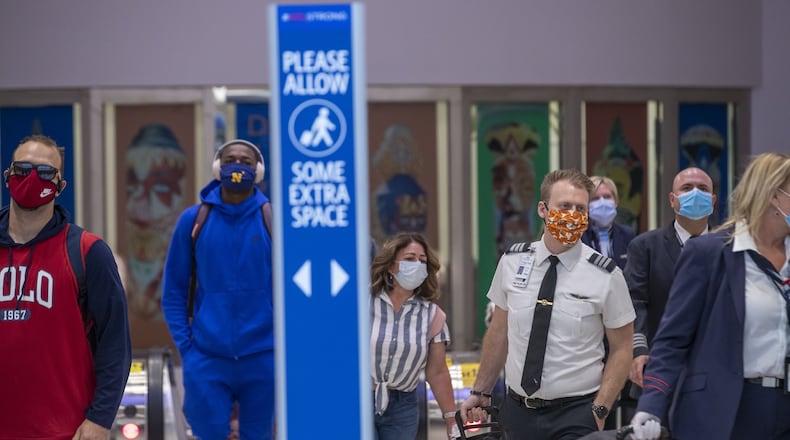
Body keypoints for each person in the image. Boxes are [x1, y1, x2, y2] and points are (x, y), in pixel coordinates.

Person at [461, 169, 635, 439]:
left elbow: (623, 348)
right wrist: (480, 391)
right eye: (564, 206)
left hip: (577, 414)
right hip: (517, 411)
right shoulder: (512, 262)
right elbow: (499, 332)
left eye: (580, 208)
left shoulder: (606, 275)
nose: (573, 215)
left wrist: (600, 410)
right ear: (543, 209)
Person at [630, 152, 790, 439]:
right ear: (772, 195)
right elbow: (672, 338)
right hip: (727, 408)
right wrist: (652, 403)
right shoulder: (709, 253)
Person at [0, 134, 131, 439]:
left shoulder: (88, 251)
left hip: (64, 430)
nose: (32, 178)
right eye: (22, 169)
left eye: (45, 172)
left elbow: (116, 344)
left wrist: (100, 419)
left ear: (60, 186)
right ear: (7, 176)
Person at [162, 139, 274, 440]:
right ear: (217, 167)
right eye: (230, 160)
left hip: (263, 357)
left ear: (258, 170)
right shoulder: (193, 221)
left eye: (246, 161)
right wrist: (188, 348)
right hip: (207, 358)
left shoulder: (272, 221)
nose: (237, 166)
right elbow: (173, 291)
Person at [625, 167, 716, 397]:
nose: (695, 193)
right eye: (687, 188)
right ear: (672, 200)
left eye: (703, 189)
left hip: (717, 373)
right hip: (660, 368)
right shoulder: (645, 246)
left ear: (713, 200)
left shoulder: (729, 247)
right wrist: (638, 349)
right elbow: (635, 302)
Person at [370, 232, 458, 440]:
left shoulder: (432, 315)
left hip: (403, 408)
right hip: (356, 399)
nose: (417, 265)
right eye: (410, 259)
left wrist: (451, 419)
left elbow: (437, 372)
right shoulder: (362, 301)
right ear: (391, 266)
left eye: (422, 261)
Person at [582, 175, 635, 270]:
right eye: (595, 198)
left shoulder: (628, 234)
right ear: (586, 205)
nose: (602, 202)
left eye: (607, 197)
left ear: (616, 201)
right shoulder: (579, 236)